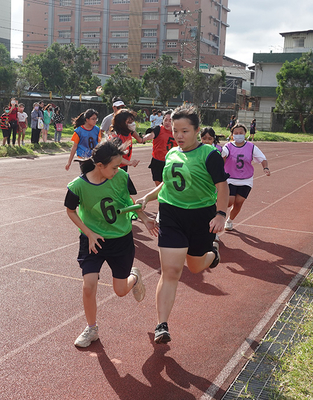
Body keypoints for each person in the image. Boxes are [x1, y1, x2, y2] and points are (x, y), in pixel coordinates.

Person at [137, 105, 229, 344]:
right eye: (176, 130)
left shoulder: (209, 154)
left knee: (197, 267)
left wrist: (221, 214)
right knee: (171, 271)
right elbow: (167, 184)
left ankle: (212, 254)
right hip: (171, 215)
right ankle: (161, 324)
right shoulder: (171, 154)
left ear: (197, 130)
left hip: (200, 216)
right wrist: (147, 197)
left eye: (185, 131)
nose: (179, 135)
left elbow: (221, 186)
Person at [65, 139, 157, 347]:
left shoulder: (122, 178)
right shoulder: (78, 186)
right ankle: (91, 329)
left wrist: (144, 219)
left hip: (120, 240)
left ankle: (134, 276)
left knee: (120, 290)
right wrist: (88, 233)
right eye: (114, 167)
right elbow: (70, 211)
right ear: (100, 166)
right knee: (89, 286)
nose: (117, 170)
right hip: (92, 241)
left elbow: (130, 204)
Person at [221, 123, 270, 231]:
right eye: (236, 133)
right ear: (232, 135)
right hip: (230, 178)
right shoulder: (228, 146)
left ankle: (229, 221)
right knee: (229, 201)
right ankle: (218, 217)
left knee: (239, 202)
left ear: (245, 134)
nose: (238, 135)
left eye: (241, 133)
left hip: (246, 180)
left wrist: (265, 168)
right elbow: (222, 157)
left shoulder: (251, 147)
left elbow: (262, 158)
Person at [108, 109, 143, 195]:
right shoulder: (117, 138)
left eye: (132, 121)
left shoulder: (128, 132)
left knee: (125, 191)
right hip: (114, 168)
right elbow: (114, 156)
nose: (132, 124)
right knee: (123, 191)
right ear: (122, 123)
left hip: (123, 167)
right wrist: (129, 162)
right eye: (129, 121)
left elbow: (140, 139)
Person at [142, 109, 176, 186]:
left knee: (169, 186)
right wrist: (145, 138)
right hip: (157, 162)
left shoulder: (177, 132)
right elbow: (151, 135)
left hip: (171, 163)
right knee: (159, 187)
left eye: (170, 120)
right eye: (165, 120)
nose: (167, 122)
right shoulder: (159, 129)